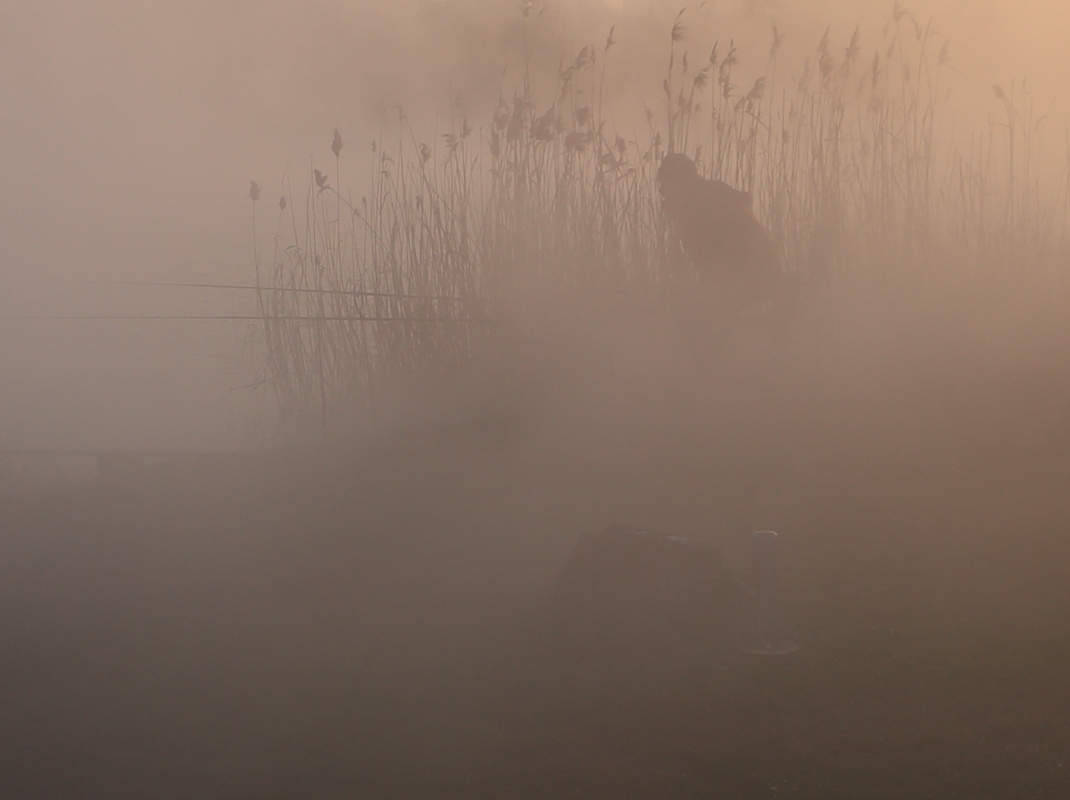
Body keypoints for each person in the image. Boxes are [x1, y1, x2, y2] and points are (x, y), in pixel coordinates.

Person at [656, 153, 782, 311]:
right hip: (760, 282)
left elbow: (716, 266)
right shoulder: (713, 195)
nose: (661, 191)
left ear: (681, 182)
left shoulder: (700, 208)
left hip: (753, 289)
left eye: (666, 183)